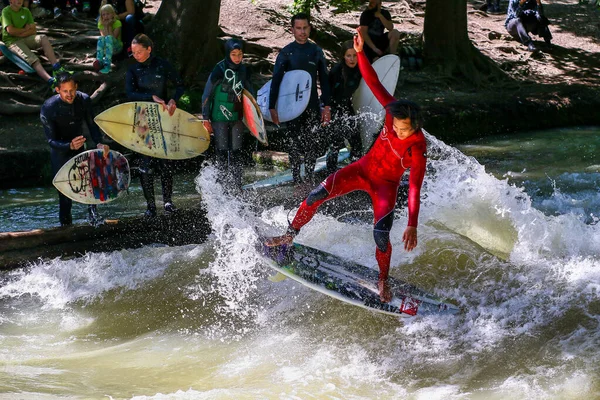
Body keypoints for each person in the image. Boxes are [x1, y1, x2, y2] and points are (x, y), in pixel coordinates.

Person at [266, 28, 427, 303]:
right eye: (397, 128)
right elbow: (373, 81)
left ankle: (383, 279)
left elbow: (414, 188)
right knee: (316, 194)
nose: (399, 132)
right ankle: (289, 235)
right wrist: (362, 52)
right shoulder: (392, 110)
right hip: (362, 169)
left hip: (385, 186)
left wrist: (412, 224)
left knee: (380, 235)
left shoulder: (418, 148)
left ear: (415, 127)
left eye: (404, 130)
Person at [126, 33, 185, 218]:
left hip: (163, 118)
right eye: (133, 52)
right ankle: (150, 206)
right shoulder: (133, 70)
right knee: (145, 165)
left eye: (139, 52)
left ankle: (167, 202)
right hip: (142, 120)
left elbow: (180, 85)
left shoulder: (162, 65)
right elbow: (129, 94)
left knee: (166, 162)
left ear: (149, 49)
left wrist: (174, 100)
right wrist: (150, 97)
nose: (136, 55)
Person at [269, 12, 331, 186]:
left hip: (311, 104)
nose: (302, 32)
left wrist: (326, 106)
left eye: (305, 28)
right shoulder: (287, 52)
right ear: (292, 30)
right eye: (298, 28)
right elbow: (276, 80)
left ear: (310, 29)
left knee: (312, 141)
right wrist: (272, 107)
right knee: (294, 143)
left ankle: (310, 178)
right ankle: (296, 179)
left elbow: (324, 80)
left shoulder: (316, 51)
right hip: (292, 107)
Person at [41, 72, 109, 227]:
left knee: (90, 186)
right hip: (60, 151)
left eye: (72, 90)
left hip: (79, 147)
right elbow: (51, 140)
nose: (69, 94)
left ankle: (94, 222)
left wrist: (99, 143)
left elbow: (92, 125)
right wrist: (68, 146)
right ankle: (66, 228)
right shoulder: (49, 107)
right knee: (65, 196)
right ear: (58, 90)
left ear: (76, 87)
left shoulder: (84, 100)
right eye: (65, 91)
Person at [201, 39, 253, 192]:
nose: (237, 58)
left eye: (240, 54)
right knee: (222, 151)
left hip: (237, 117)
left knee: (237, 151)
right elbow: (207, 94)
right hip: (219, 117)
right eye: (233, 54)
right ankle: (222, 188)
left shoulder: (244, 70)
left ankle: (237, 187)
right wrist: (205, 117)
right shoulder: (219, 69)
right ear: (227, 54)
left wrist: (253, 119)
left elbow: (250, 94)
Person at [1, 0, 68, 85]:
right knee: (32, 58)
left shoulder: (26, 11)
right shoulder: (6, 11)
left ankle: (56, 67)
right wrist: (25, 29)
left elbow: (33, 30)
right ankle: (50, 80)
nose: (19, 1)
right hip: (13, 41)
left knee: (43, 38)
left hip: (26, 38)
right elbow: (10, 31)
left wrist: (21, 33)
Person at [325, 40, 363, 174]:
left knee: (357, 142)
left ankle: (354, 172)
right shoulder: (337, 71)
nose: (352, 59)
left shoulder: (360, 69)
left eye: (354, 55)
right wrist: (327, 110)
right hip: (334, 107)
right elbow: (327, 92)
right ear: (343, 57)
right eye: (348, 56)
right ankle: (330, 175)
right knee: (335, 142)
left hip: (347, 106)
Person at [94, 3, 122, 74]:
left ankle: (107, 66)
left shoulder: (117, 23)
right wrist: (105, 26)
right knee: (101, 38)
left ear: (112, 14)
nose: (106, 16)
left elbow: (113, 38)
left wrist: (109, 26)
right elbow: (104, 37)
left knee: (109, 38)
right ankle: (99, 61)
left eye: (108, 14)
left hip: (117, 47)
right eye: (103, 14)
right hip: (107, 48)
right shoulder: (101, 24)